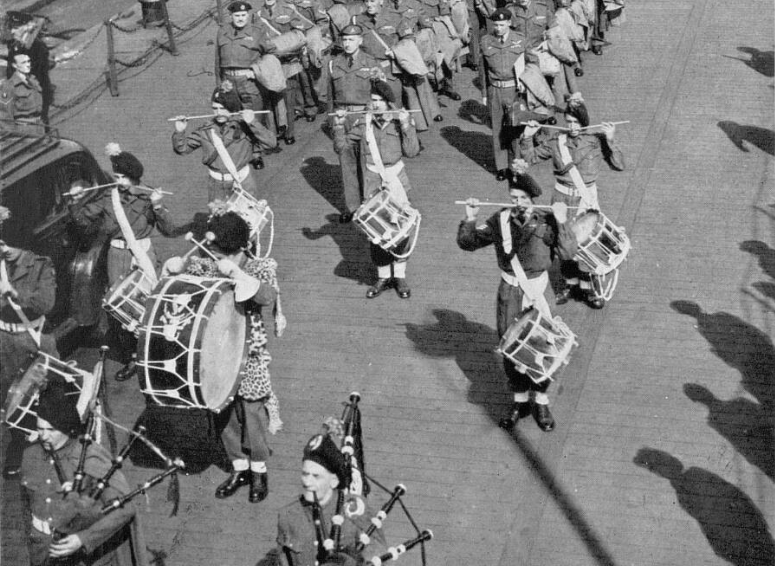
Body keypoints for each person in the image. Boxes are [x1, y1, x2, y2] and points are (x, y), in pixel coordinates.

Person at [164, 211, 284, 502]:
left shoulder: (259, 267)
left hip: (249, 352)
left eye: (219, 249)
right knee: (222, 412)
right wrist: (174, 268)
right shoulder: (207, 265)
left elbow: (266, 296)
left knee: (252, 414)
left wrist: (239, 274)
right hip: (215, 352)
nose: (213, 254)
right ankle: (239, 467)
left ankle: (259, 471)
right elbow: (183, 282)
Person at [456, 176, 577, 431]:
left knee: (544, 342)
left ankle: (541, 401)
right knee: (509, 342)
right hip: (510, 291)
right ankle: (520, 401)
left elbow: (568, 253)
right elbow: (469, 243)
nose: (518, 203)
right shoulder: (500, 220)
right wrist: (470, 217)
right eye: (514, 198)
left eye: (523, 198)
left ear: (533, 199)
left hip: (537, 290)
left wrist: (563, 221)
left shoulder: (547, 221)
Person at [68, 144, 175, 381]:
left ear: (133, 177)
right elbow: (84, 221)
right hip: (116, 256)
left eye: (121, 177)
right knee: (120, 309)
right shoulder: (110, 197)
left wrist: (158, 206)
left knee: (146, 304)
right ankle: (131, 356)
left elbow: (169, 230)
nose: (116, 181)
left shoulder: (147, 198)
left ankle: (152, 351)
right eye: (115, 176)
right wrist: (77, 201)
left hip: (142, 255)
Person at [20, 379, 146, 566]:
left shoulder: (88, 457)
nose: (44, 436)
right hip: (42, 551)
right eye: (39, 429)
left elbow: (125, 508)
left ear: (65, 426)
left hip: (86, 557)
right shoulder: (30, 455)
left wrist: (83, 539)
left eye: (51, 430)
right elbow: (27, 506)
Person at [518, 102, 625, 308]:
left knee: (587, 243)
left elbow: (619, 165)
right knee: (564, 242)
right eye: (568, 121)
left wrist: (611, 140)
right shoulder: (557, 142)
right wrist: (527, 136)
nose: (572, 126)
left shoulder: (596, 140)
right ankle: (570, 284)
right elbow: (529, 157)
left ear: (584, 122)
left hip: (586, 199)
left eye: (576, 122)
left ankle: (590, 288)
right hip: (561, 199)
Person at [333, 80, 420, 299]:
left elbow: (412, 152)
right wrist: (338, 125)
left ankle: (399, 276)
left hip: (397, 180)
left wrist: (407, 125)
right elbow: (342, 148)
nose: (376, 104)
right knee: (376, 232)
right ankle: (382, 276)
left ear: (390, 103)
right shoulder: (364, 123)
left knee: (400, 228)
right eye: (373, 100)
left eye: (381, 101)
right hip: (373, 183)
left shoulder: (399, 122)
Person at [0, 206, 58, 479]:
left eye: (11, 245)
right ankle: (19, 442)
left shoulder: (41, 265)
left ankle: (53, 439)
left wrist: (13, 292)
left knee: (46, 391)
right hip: (5, 340)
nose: (6, 249)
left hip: (33, 338)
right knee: (12, 395)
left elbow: (45, 302)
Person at [276, 433, 386, 566]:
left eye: (316, 476)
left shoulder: (354, 509)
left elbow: (379, 557)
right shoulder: (288, 514)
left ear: (333, 481)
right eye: (305, 474)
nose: (307, 482)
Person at [319, 24, 381, 223]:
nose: (347, 43)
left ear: (360, 41)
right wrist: (332, 122)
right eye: (344, 40)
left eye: (351, 40)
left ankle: (370, 203)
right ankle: (352, 207)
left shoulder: (370, 62)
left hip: (364, 117)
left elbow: (380, 92)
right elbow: (329, 97)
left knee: (366, 162)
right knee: (347, 164)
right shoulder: (333, 63)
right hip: (342, 118)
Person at [172, 86, 278, 202]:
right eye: (215, 108)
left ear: (232, 107)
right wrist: (179, 132)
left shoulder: (244, 126)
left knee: (248, 218)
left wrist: (253, 122)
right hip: (217, 185)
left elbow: (271, 143)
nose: (218, 113)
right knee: (219, 218)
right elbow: (182, 149)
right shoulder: (206, 130)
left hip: (244, 182)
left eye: (223, 108)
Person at [478, 9, 527, 181]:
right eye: (496, 25)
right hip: (495, 90)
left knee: (514, 129)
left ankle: (516, 164)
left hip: (514, 90)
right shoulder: (485, 41)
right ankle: (501, 167)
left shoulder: (520, 40)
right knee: (497, 129)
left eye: (501, 24)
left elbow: (530, 64)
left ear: (508, 23)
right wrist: (484, 93)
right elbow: (482, 70)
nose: (498, 28)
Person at [215, 2, 270, 121]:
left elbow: (270, 55)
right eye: (237, 15)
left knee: (254, 119)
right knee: (233, 119)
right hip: (228, 83)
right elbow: (217, 61)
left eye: (243, 15)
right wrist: (220, 85)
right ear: (231, 16)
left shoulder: (257, 32)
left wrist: (257, 72)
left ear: (248, 15)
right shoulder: (222, 32)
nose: (240, 18)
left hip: (248, 82)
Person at [5, 12, 53, 125]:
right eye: (11, 28)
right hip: (18, 102)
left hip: (32, 103)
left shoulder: (38, 47)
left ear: (28, 27)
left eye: (16, 28)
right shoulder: (16, 46)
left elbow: (42, 80)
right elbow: (10, 74)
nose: (12, 32)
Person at [8, 52, 43, 125]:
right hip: (23, 128)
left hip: (39, 124)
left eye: (29, 61)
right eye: (23, 62)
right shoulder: (10, 85)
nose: (28, 65)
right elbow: (5, 114)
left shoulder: (33, 80)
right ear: (15, 65)